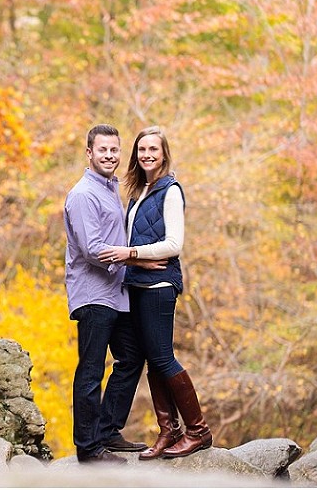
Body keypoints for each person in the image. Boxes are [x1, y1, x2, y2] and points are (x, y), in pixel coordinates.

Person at [99, 125, 212, 459]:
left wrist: (132, 254)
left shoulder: (170, 191)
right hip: (136, 284)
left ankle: (198, 430)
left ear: (164, 153)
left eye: (153, 149)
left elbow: (174, 244)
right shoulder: (139, 190)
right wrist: (134, 260)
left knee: (163, 357)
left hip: (160, 287)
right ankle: (169, 431)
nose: (147, 154)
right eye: (142, 149)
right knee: (152, 359)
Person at [63, 124, 162, 464]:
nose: (109, 156)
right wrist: (133, 257)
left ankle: (106, 431)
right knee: (91, 370)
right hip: (93, 295)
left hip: (115, 293)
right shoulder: (82, 195)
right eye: (102, 150)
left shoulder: (109, 188)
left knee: (132, 356)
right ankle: (88, 449)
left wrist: (131, 261)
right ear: (89, 153)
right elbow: (91, 249)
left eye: (114, 150)